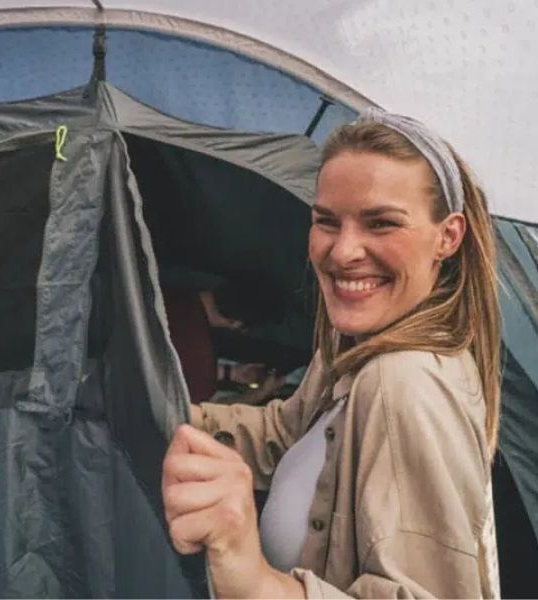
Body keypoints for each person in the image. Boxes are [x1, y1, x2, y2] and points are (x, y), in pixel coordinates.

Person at [162, 110, 502, 598]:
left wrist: (251, 575)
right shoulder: (353, 347)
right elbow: (289, 433)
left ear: (447, 237)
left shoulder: (405, 385)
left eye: (381, 223)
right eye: (326, 221)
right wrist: (166, 411)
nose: (342, 252)